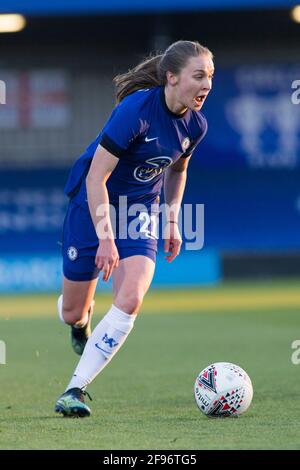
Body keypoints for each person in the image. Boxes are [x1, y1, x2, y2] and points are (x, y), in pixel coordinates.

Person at [54, 40, 214, 417]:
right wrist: (106, 238)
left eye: (210, 76)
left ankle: (74, 389)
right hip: (93, 201)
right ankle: (81, 321)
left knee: (131, 297)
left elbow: (178, 170)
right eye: (199, 76)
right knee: (71, 313)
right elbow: (97, 177)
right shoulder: (135, 111)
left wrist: (172, 219)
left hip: (139, 210)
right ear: (171, 78)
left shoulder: (196, 125)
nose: (207, 84)